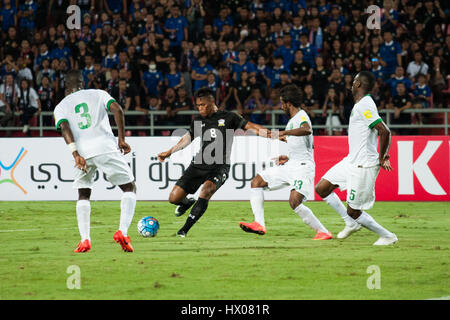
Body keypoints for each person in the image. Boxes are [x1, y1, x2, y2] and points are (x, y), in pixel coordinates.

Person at [157, 87, 276, 238]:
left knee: (206, 190)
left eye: (203, 105)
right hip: (198, 164)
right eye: (198, 106)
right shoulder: (198, 120)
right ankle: (186, 203)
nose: (200, 108)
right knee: (173, 199)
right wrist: (169, 152)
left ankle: (184, 230)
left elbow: (252, 127)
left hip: (220, 167)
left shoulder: (229, 117)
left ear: (212, 102)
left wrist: (274, 135)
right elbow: (187, 138)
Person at [53, 70, 136, 253]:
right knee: (129, 188)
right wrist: (121, 139)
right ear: (83, 82)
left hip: (82, 152)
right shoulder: (99, 94)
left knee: (83, 194)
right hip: (104, 147)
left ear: (66, 87)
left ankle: (85, 240)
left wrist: (75, 154)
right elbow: (118, 109)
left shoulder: (60, 106)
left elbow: (64, 127)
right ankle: (122, 231)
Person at [239, 84, 332, 240]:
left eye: (282, 103)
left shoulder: (301, 117)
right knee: (257, 182)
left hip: (303, 167)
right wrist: (255, 130)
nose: (281, 107)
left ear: (288, 103)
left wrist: (285, 132)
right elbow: (281, 137)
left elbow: (307, 130)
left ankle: (323, 231)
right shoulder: (293, 120)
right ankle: (259, 223)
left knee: (294, 202)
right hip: (292, 164)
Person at [315, 71, 398, 246]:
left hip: (363, 165)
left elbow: (384, 131)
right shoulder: (361, 104)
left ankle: (388, 236)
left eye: (354, 81)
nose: (351, 84)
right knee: (322, 188)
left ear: (359, 84)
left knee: (354, 210)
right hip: (351, 161)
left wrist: (382, 157)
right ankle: (351, 223)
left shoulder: (365, 105)